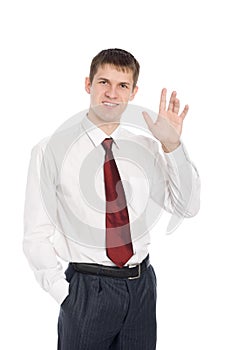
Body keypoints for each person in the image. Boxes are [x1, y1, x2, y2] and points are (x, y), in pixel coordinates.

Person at [23, 48, 200, 349]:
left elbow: (187, 207)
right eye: (103, 82)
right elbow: (35, 234)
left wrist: (172, 144)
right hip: (87, 290)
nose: (112, 93)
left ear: (133, 92)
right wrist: (63, 295)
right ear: (88, 84)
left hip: (141, 287)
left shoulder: (146, 147)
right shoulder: (51, 149)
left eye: (122, 86)